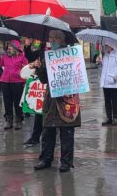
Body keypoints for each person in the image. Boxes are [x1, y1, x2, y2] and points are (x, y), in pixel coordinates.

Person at [31, 30, 81, 173]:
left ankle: (66, 162)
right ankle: (46, 159)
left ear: (63, 41)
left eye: (55, 38)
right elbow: (44, 80)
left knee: (66, 132)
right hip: (51, 100)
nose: (52, 41)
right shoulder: (47, 57)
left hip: (66, 99)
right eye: (50, 38)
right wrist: (40, 68)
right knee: (47, 131)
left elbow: (77, 76)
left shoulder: (71, 56)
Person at [0, 40, 28, 130]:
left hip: (17, 82)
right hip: (5, 81)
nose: (9, 48)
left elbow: (27, 69)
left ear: (16, 48)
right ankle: (9, 120)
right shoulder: (6, 56)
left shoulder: (22, 57)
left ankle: (19, 120)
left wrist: (24, 80)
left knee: (18, 102)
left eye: (11, 46)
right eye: (9, 46)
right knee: (7, 102)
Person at [98, 44, 117, 126]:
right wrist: (99, 64)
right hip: (105, 82)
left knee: (114, 100)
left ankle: (115, 118)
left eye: (106, 45)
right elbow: (103, 69)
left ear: (111, 46)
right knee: (107, 101)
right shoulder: (105, 56)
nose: (105, 47)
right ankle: (109, 118)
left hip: (114, 83)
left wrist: (115, 78)